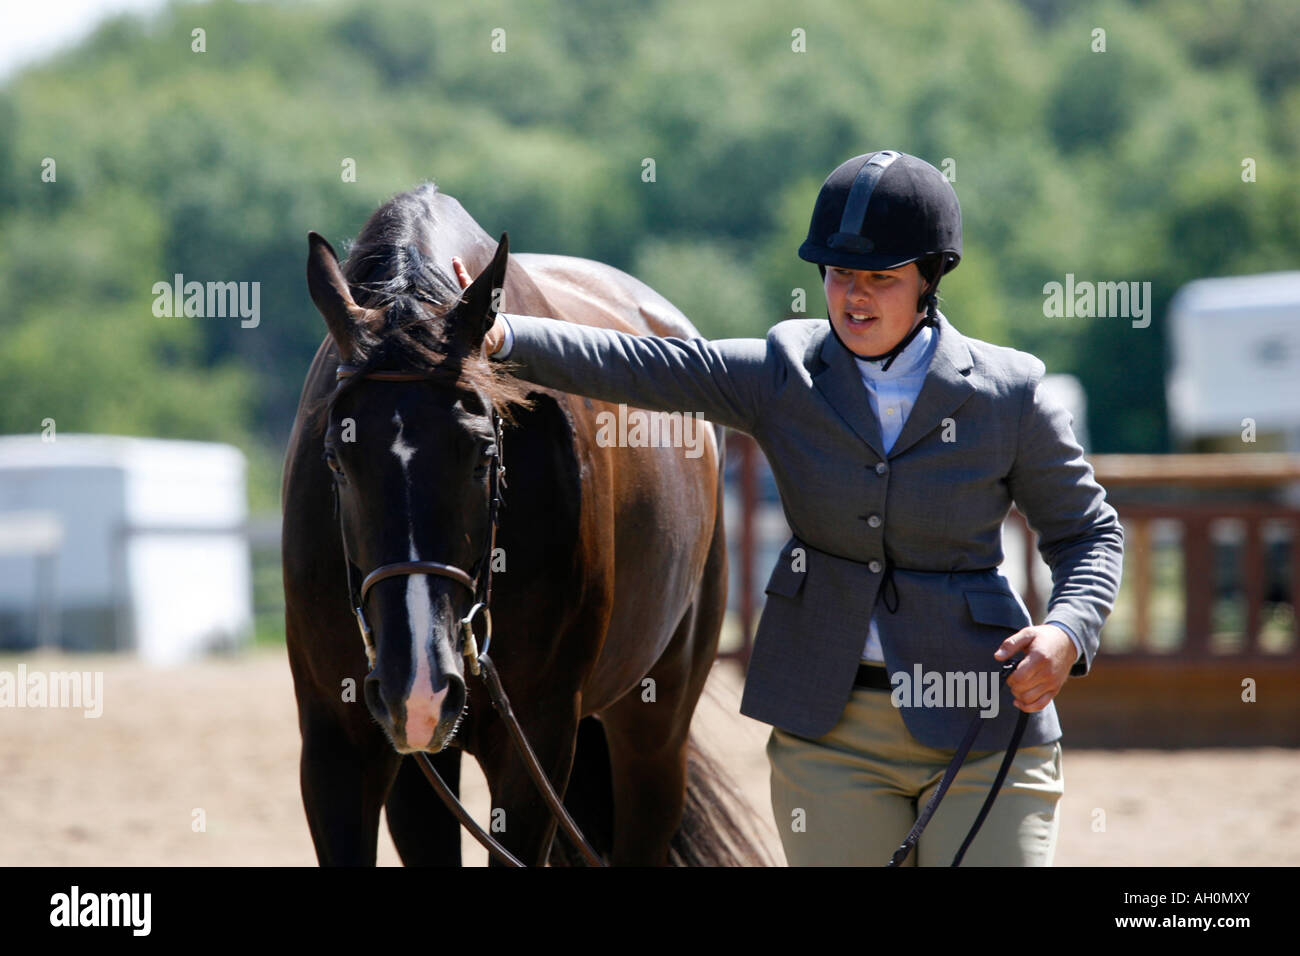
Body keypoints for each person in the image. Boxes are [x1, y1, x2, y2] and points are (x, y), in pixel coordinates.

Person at [452, 149, 1124, 866]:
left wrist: (1068, 631)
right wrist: (504, 337)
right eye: (839, 275)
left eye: (880, 279)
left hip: (982, 726)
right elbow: (647, 367)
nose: (854, 297)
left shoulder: (1010, 394)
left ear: (931, 278)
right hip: (830, 733)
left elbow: (1089, 532)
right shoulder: (785, 371)